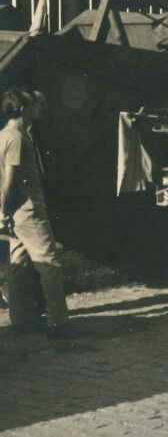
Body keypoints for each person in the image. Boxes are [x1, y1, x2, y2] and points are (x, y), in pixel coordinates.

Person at [1, 88, 79, 338]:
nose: (36, 109)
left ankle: (21, 321)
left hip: (15, 213)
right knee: (50, 265)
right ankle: (59, 323)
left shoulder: (4, 135)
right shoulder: (16, 138)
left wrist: (4, 213)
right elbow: (9, 181)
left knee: (18, 265)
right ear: (22, 108)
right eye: (31, 105)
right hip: (29, 212)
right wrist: (2, 212)